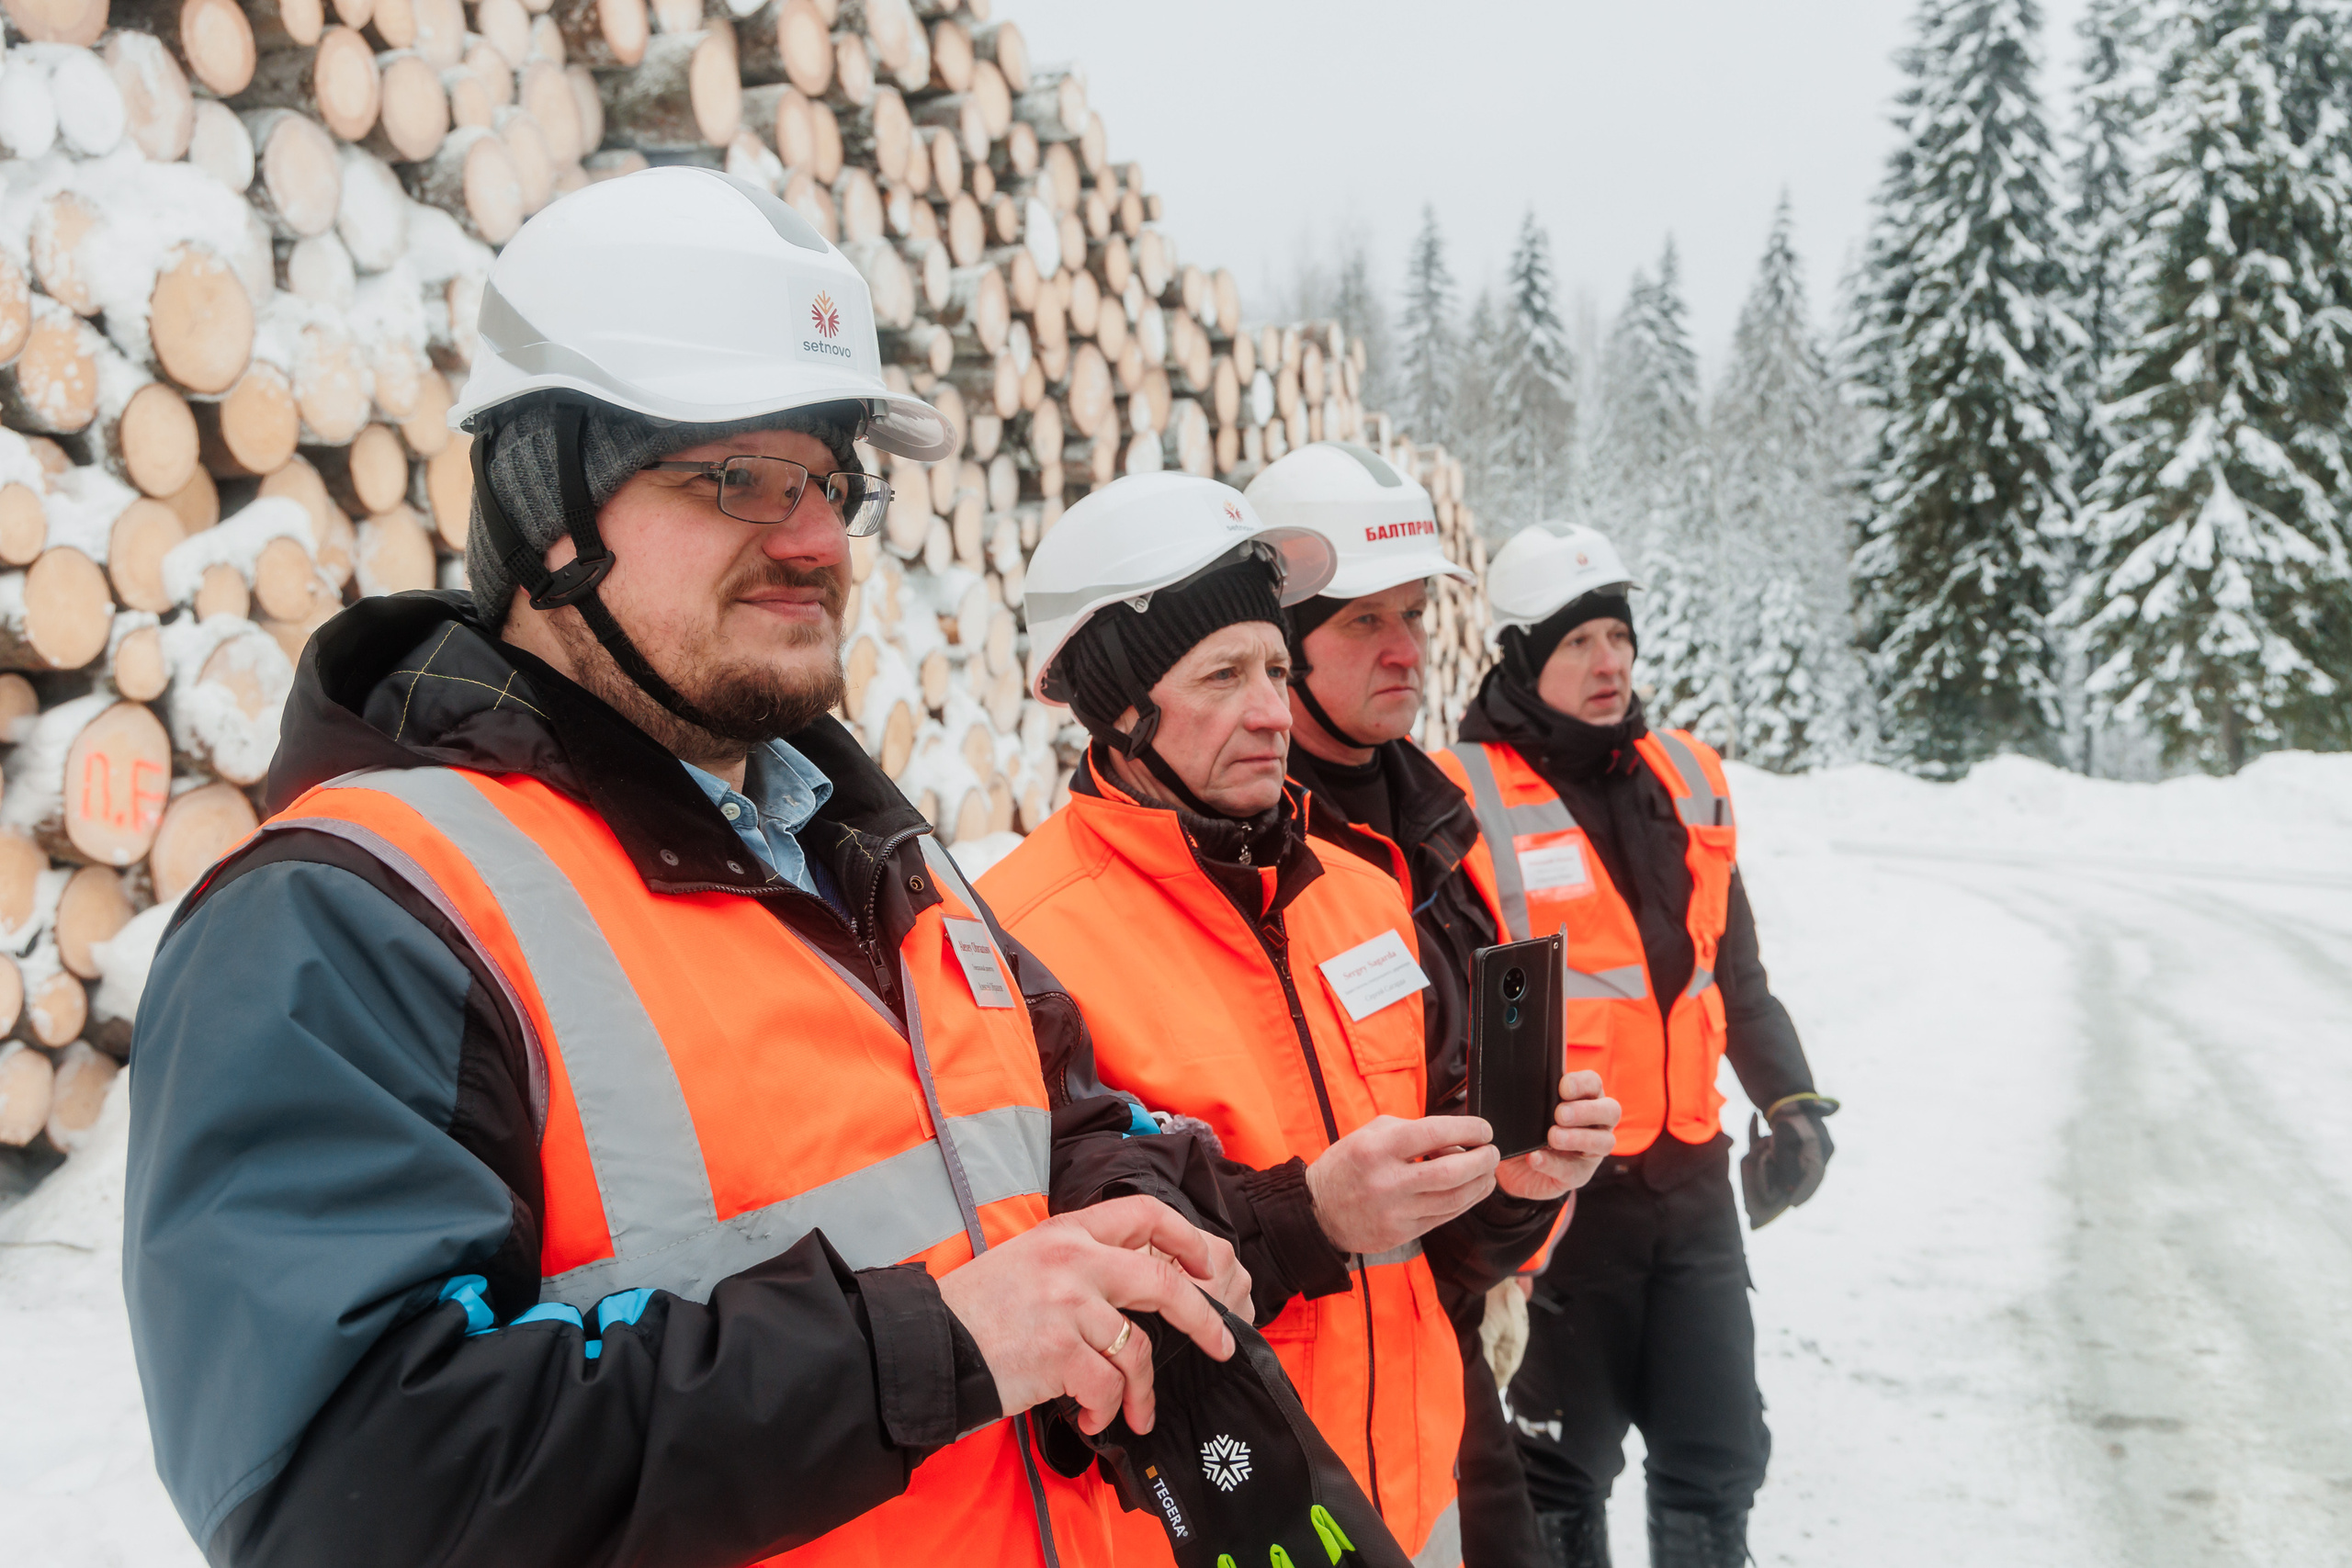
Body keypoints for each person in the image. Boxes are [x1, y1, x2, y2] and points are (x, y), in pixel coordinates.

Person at [119, 167, 1254, 1568]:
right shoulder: (351, 913)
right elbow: (346, 1485)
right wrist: (933, 1345)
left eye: (833, 481)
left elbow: (1053, 1114)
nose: (818, 540)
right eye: (737, 477)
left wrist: (1134, 1213)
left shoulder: (862, 845)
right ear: (546, 501)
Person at [978, 473, 1622, 1566]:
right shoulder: (1015, 941)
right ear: (1115, 701)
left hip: (1416, 1497)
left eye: (1275, 667)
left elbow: (1437, 1252)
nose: (1274, 710)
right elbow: (1053, 1295)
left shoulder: (1360, 894)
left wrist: (1514, 1189)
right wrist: (1311, 1215)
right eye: (1223, 675)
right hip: (1224, 1526)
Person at [1430, 525, 1839, 1568]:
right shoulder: (1460, 800)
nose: (1609, 662)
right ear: (1519, 655)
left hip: (1691, 1187)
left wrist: (1787, 1099)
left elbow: (1727, 972)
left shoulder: (1685, 776)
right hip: (1561, 1205)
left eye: (1618, 634)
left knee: (1718, 1451)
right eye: (1577, 643)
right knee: (1563, 1469)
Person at [1246, 442, 1600, 1568]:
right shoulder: (1249, 855)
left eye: (1415, 615)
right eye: (1363, 623)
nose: (1407, 651)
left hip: (1440, 1322)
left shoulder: (1433, 822)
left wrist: (1523, 1190)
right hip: (1297, 1375)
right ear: (1277, 643)